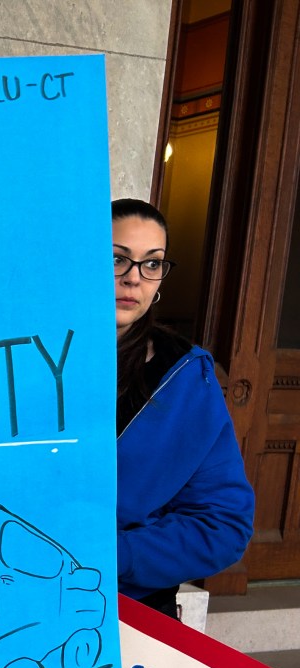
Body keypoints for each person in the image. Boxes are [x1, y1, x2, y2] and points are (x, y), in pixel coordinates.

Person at [113, 197, 255, 616]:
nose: (133, 279)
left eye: (151, 263)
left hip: (125, 615)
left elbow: (222, 526)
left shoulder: (185, 377)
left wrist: (114, 554)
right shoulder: (19, 358)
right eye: (117, 259)